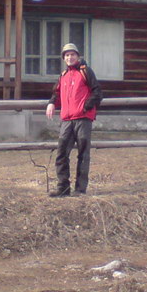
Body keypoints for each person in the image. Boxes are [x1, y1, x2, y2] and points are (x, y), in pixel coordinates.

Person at [45, 42, 103, 196]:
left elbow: (97, 92)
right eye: (67, 55)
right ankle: (63, 188)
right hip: (67, 120)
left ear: (78, 56)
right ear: (64, 58)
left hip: (83, 119)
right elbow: (56, 94)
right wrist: (51, 103)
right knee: (62, 153)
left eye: (72, 54)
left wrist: (86, 107)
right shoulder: (63, 76)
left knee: (83, 154)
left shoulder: (85, 72)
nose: (70, 57)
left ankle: (80, 189)